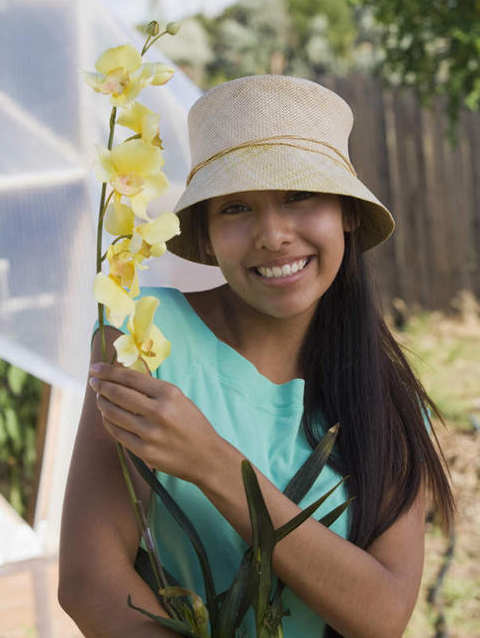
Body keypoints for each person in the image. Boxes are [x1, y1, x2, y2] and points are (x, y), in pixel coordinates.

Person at [58, 75, 454, 637]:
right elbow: (89, 582)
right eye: (237, 207)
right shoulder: (140, 335)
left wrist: (214, 464)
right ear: (208, 233)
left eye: (299, 196)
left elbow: (383, 614)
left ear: (346, 212)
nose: (272, 234)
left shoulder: (386, 395)